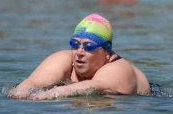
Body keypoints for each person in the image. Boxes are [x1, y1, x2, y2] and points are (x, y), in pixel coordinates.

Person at [8, 14, 154, 100]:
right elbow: (33, 82)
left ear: (106, 52)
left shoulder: (118, 69)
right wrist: (21, 92)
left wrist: (53, 93)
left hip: (146, 102)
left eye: (89, 46)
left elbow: (96, 86)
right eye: (75, 44)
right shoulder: (64, 59)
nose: (80, 51)